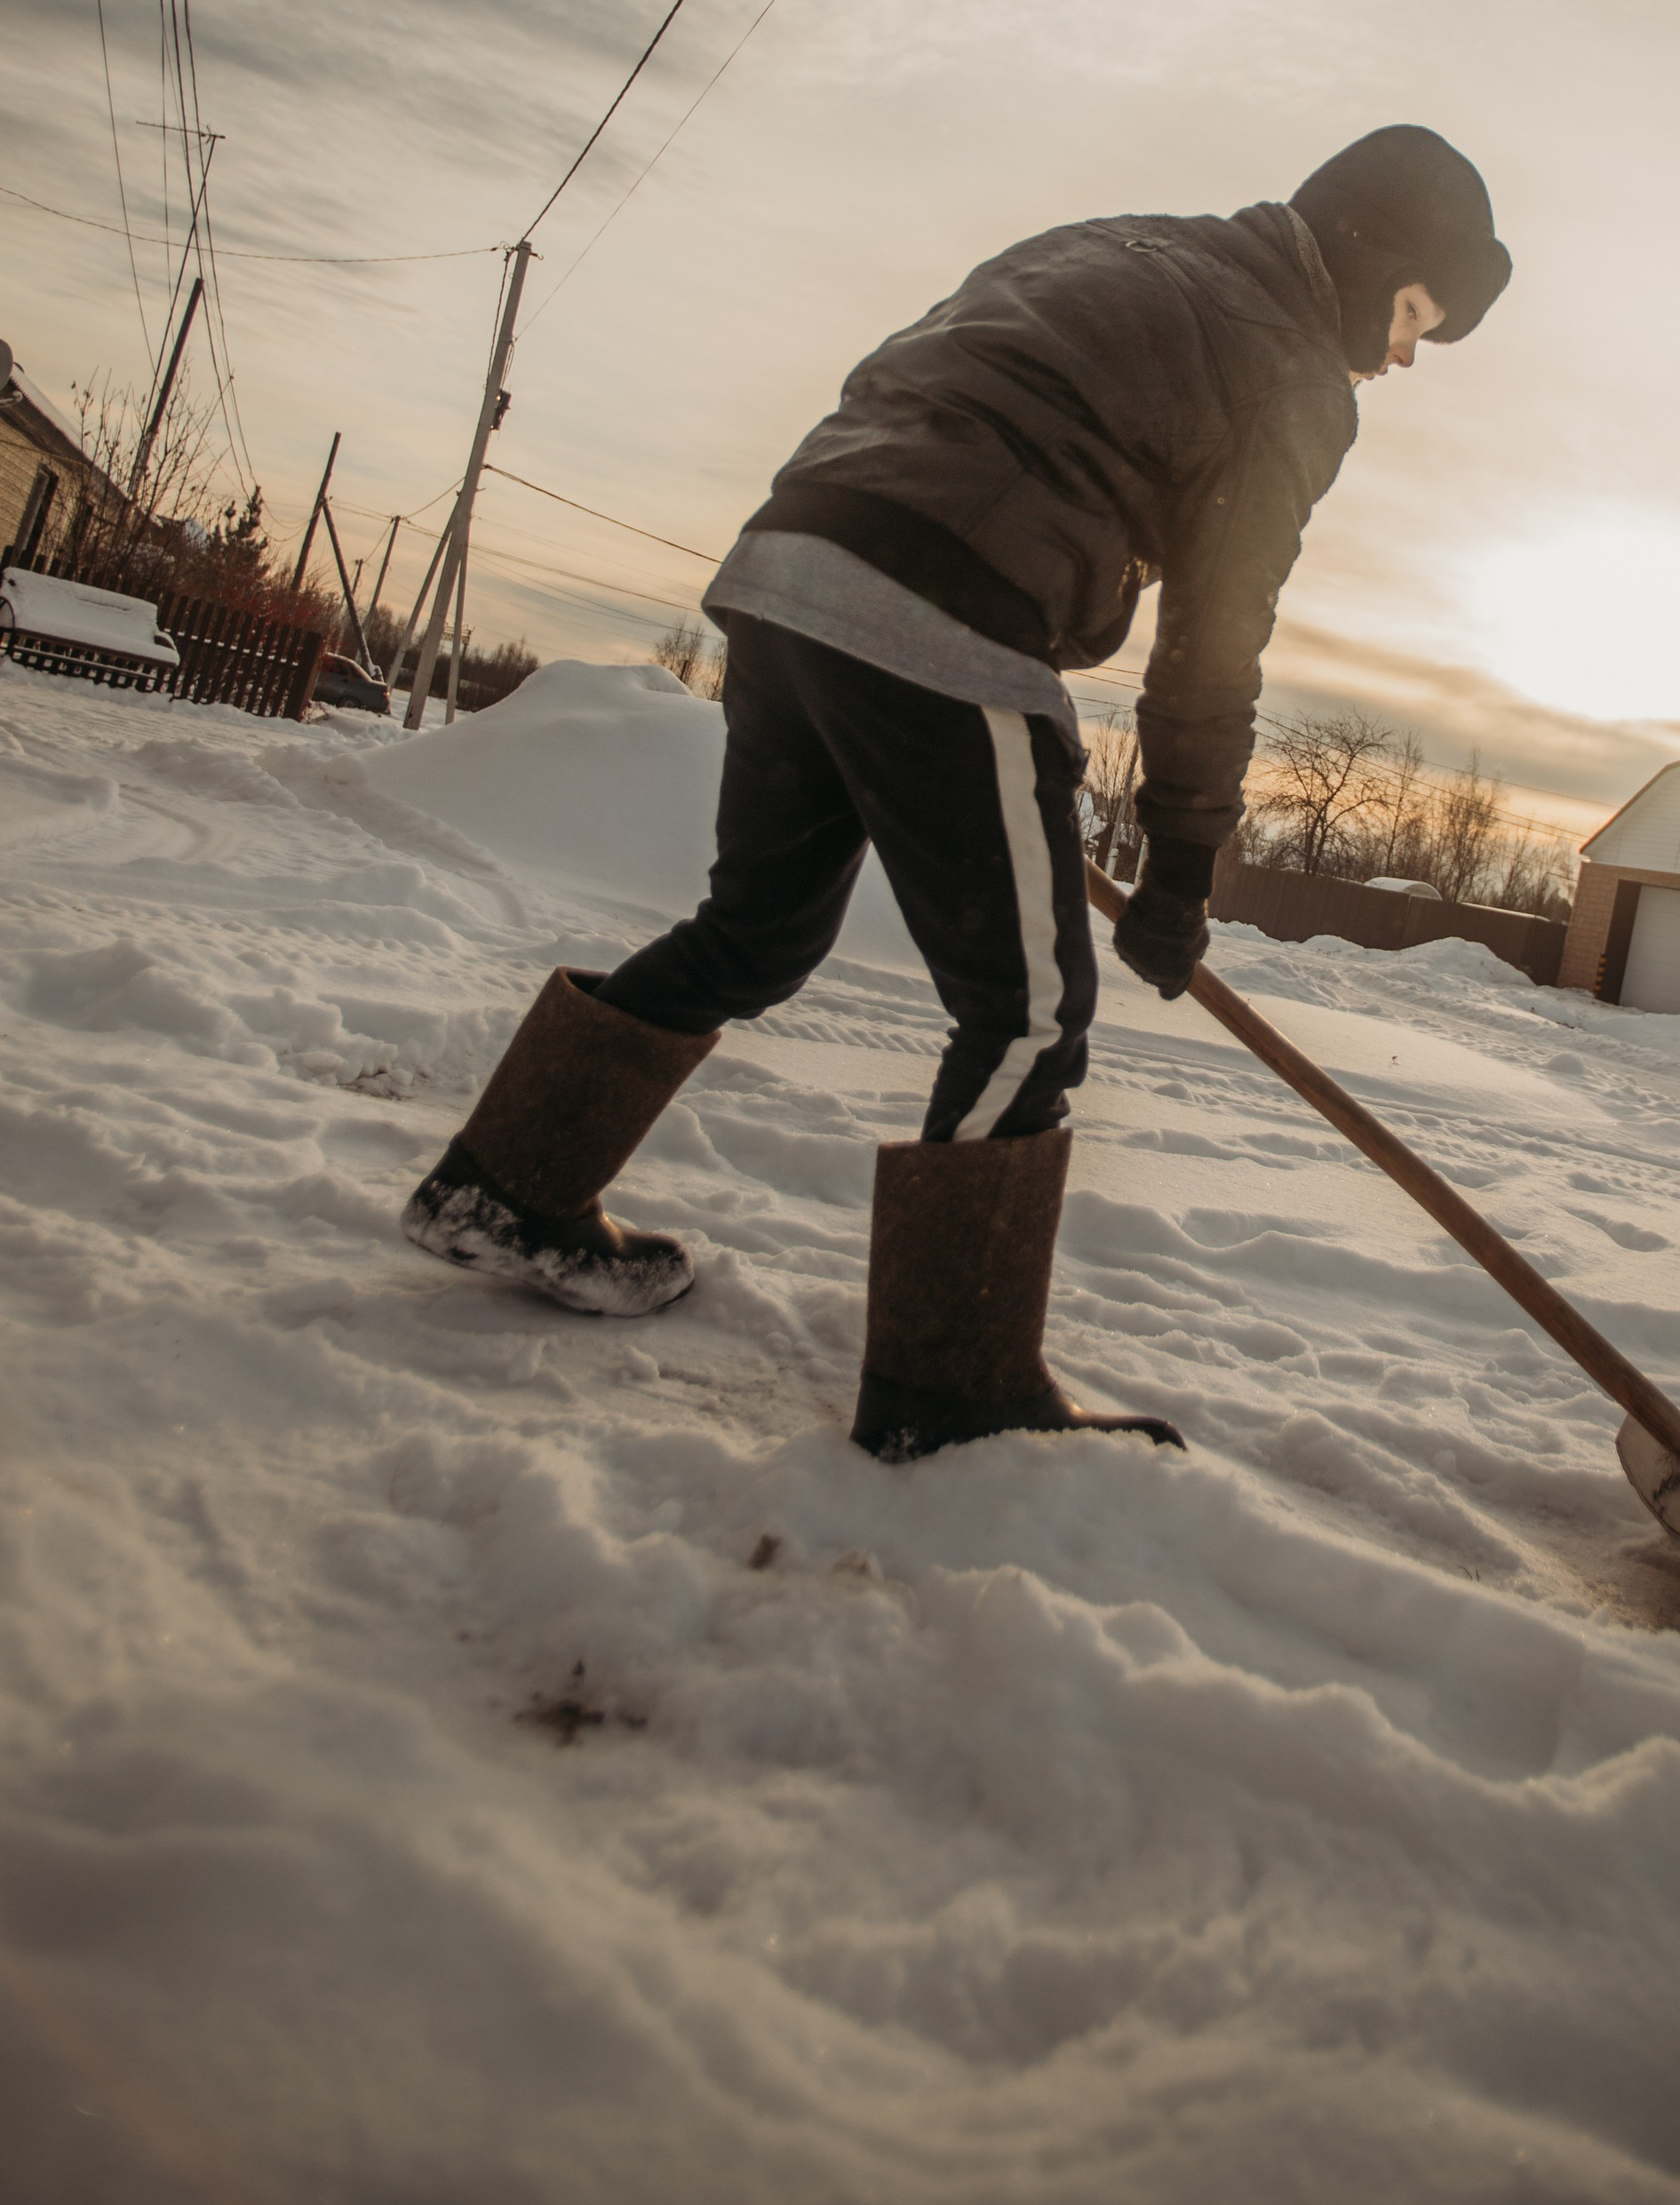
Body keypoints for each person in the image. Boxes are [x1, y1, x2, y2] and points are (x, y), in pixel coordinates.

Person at [402, 123, 1509, 1461]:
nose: (1397, 357)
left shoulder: (1114, 242)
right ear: (1369, 258)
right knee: (1032, 1013)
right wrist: (1182, 864)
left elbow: (903, 373)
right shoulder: (1286, 367)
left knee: (757, 930)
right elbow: (1218, 638)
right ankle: (953, 1385)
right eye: (1409, 316)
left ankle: (505, 1187)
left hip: (789, 566)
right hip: (946, 605)